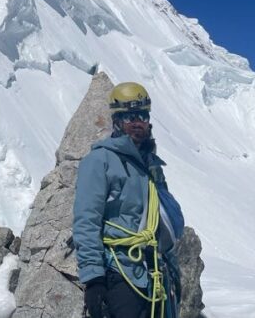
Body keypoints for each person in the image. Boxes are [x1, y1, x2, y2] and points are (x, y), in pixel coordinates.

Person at [73, 82, 184, 318]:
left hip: (154, 270)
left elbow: (158, 218)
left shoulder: (150, 166)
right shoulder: (99, 161)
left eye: (142, 115)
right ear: (117, 121)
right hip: (119, 270)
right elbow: (86, 220)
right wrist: (94, 278)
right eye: (129, 116)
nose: (137, 122)